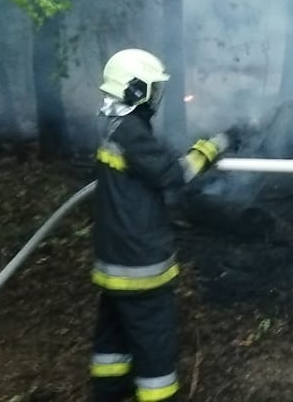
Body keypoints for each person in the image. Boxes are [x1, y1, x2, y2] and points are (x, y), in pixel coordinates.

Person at [90, 49, 230, 402]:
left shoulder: (114, 126)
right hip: (140, 269)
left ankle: (108, 393)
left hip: (113, 264)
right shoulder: (131, 132)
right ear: (136, 90)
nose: (156, 96)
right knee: (154, 347)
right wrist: (215, 146)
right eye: (152, 88)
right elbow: (174, 174)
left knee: (112, 340)